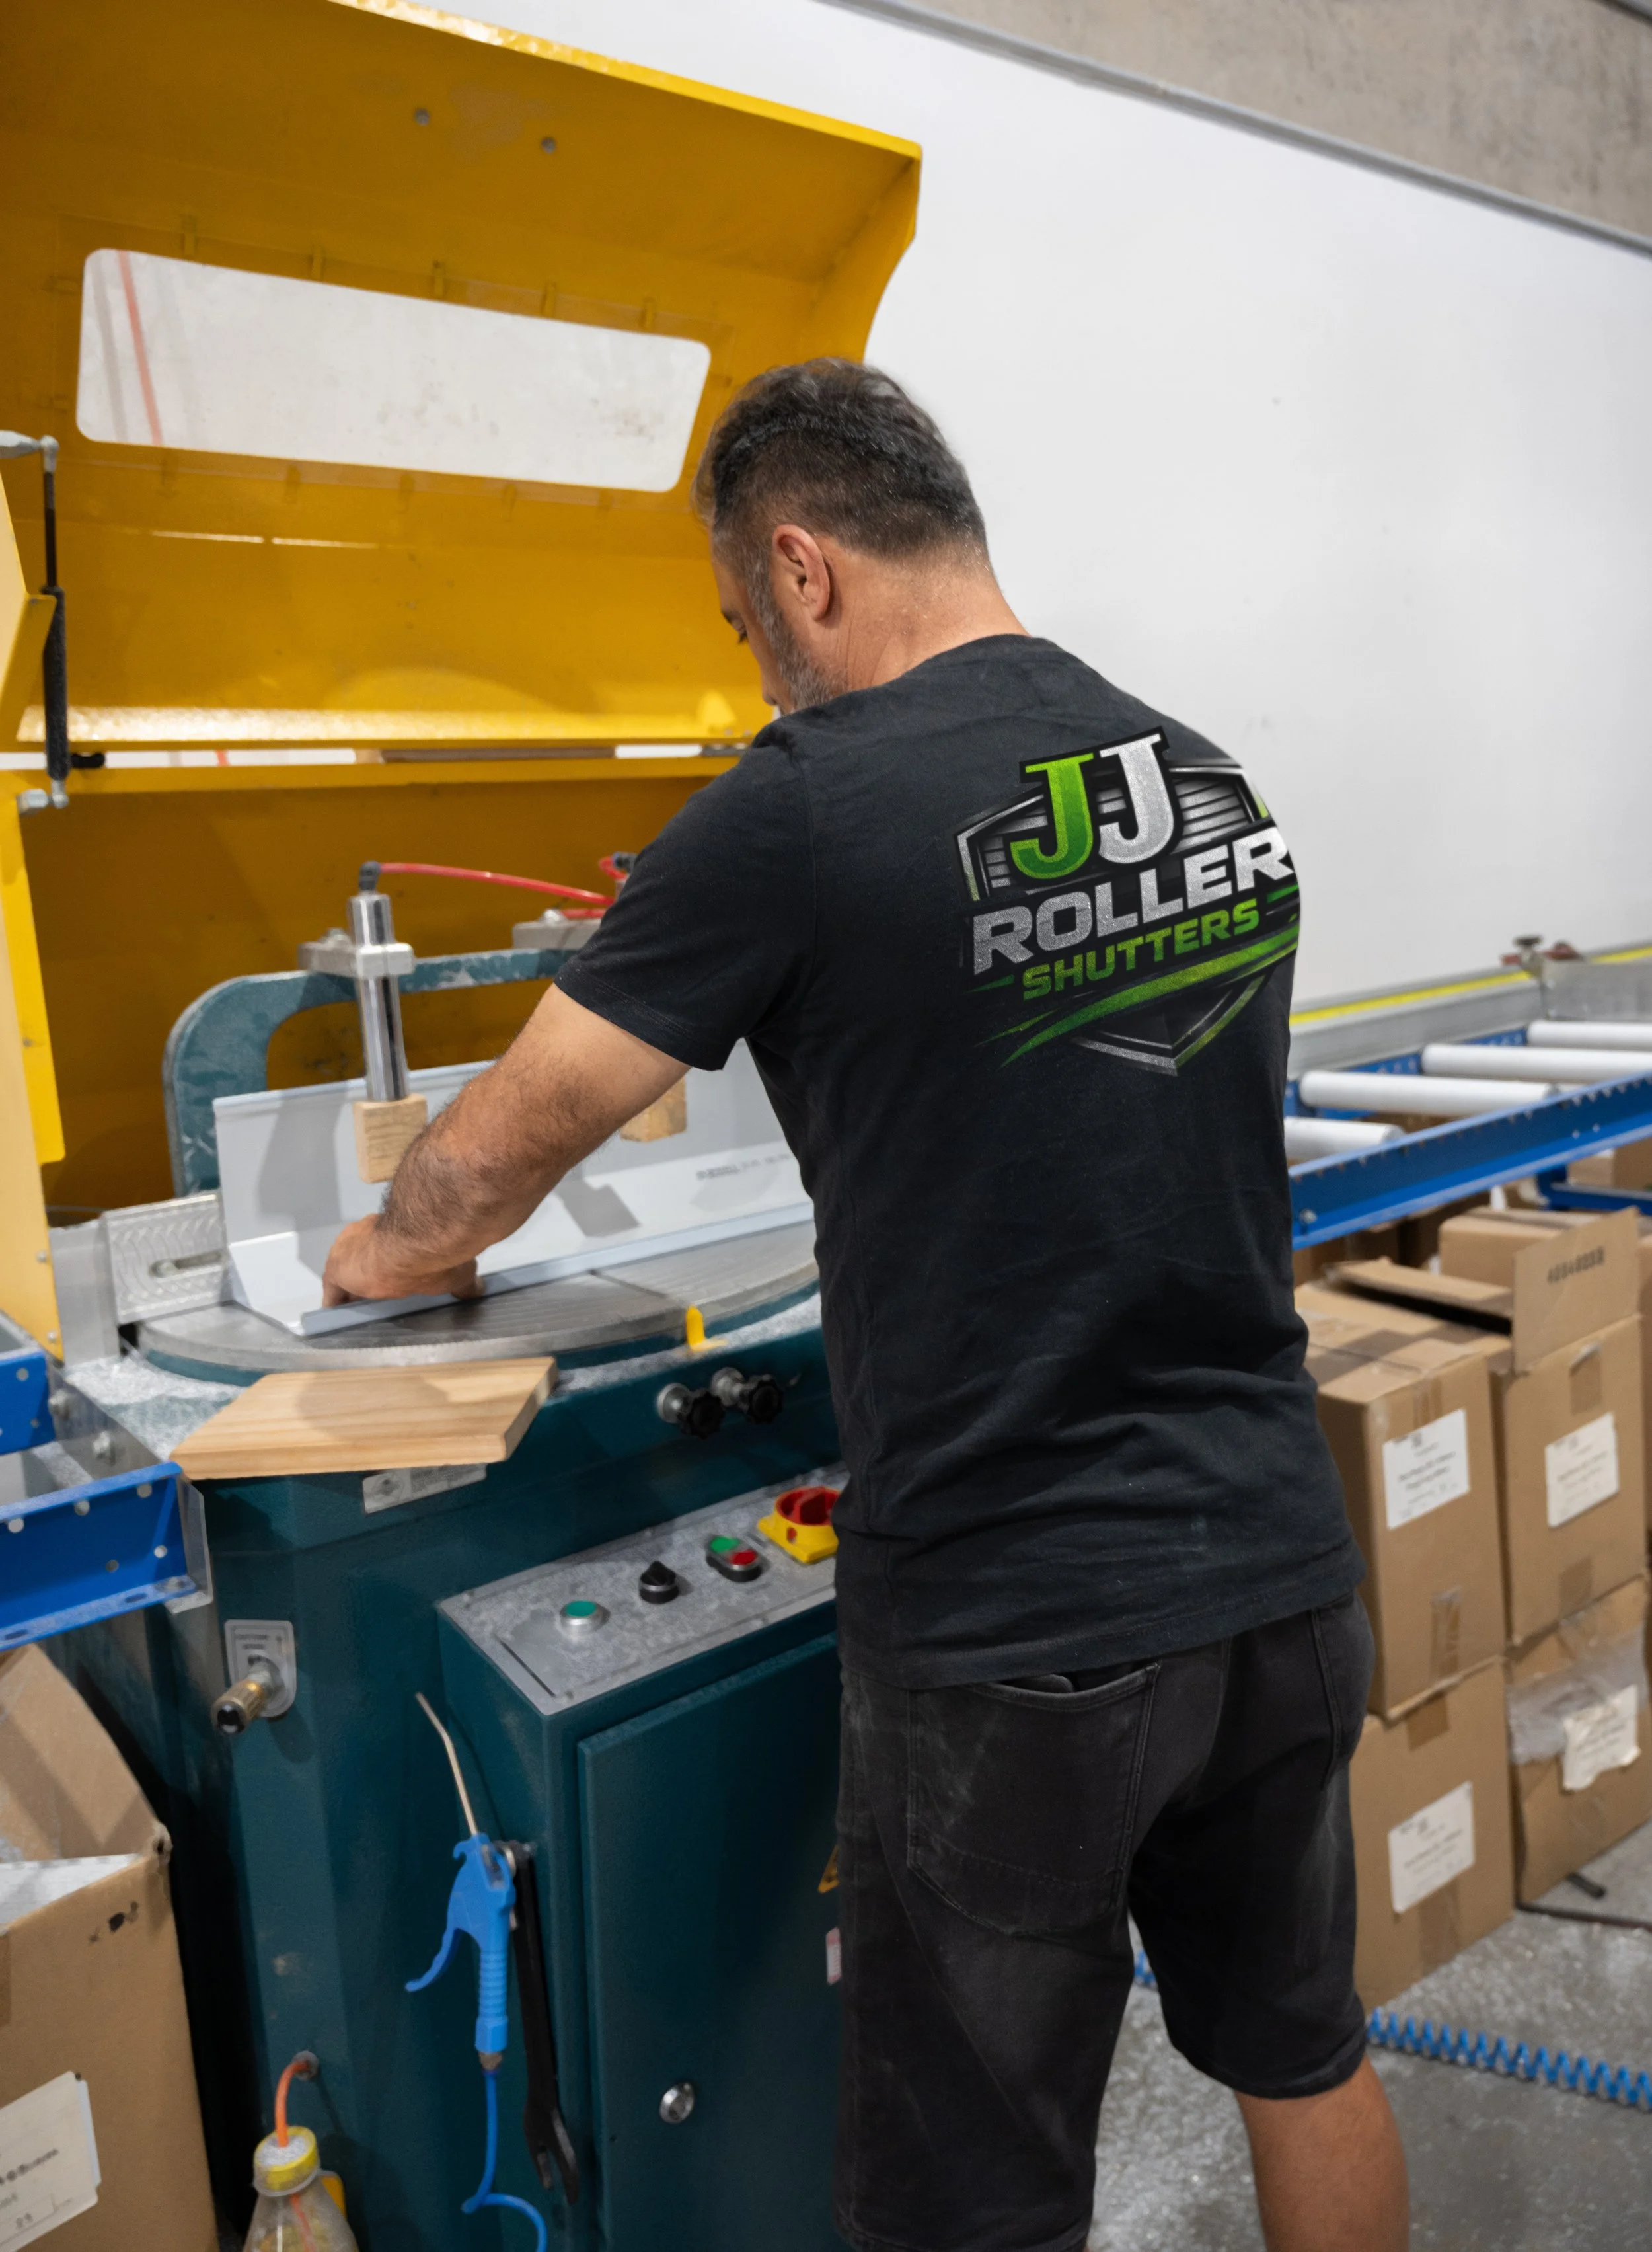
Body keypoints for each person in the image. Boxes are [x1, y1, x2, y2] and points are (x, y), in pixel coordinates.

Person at [322, 360, 1408, 2252]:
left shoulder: (801, 809)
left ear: (802, 567)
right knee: (1302, 2051)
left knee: (970, 2196)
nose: (756, 668)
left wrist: (382, 1256)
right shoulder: (1196, 774)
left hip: (1017, 1626)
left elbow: (501, 1152)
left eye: (742, 621)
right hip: (1275, 1565)